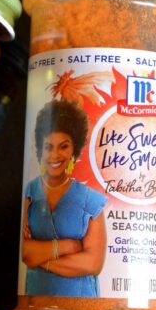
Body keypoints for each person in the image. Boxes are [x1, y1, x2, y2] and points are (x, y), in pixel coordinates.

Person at [20, 99, 109, 297]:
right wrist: (66, 246)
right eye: (48, 146)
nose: (55, 154)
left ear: (73, 151)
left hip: (82, 304)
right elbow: (24, 251)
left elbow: (93, 263)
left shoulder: (91, 200)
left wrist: (40, 258)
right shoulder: (29, 193)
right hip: (36, 301)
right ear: (40, 150)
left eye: (64, 146)